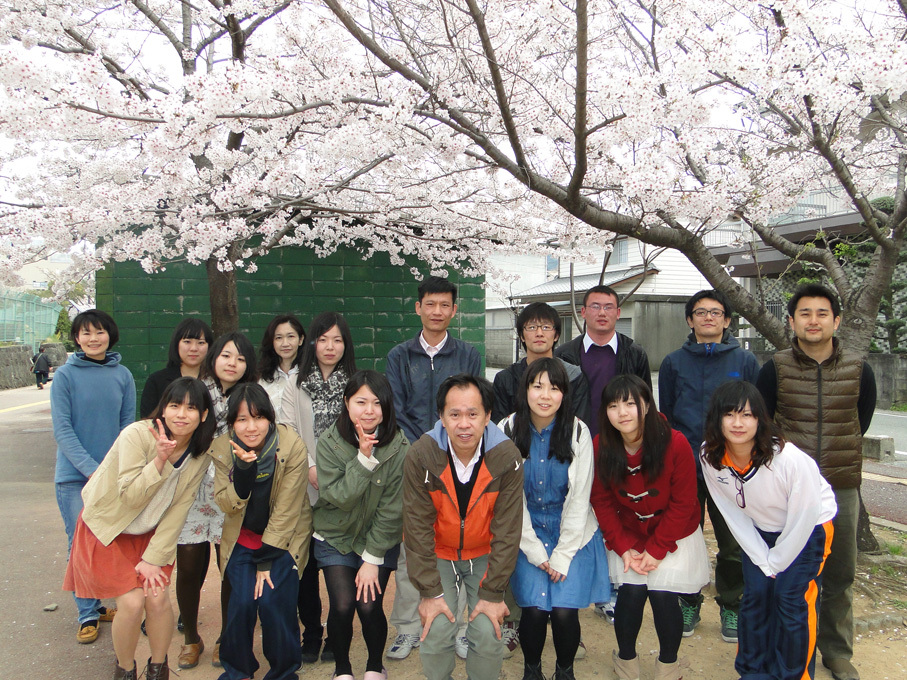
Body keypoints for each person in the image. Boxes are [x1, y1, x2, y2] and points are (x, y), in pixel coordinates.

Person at [756, 283, 876, 680]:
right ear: (791, 321)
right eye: (804, 313)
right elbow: (763, 423)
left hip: (841, 484)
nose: (813, 320)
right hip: (789, 489)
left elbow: (861, 419)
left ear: (836, 321)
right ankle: (787, 645)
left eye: (822, 313)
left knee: (840, 572)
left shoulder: (859, 368)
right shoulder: (774, 368)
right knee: (788, 570)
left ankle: (837, 651)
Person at [63, 377, 216, 680]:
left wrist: (153, 558)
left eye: (191, 408)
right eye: (175, 405)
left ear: (204, 416)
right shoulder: (137, 434)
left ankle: (158, 669)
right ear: (163, 408)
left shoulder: (199, 454)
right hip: (110, 528)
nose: (181, 414)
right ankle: (125, 669)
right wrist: (159, 460)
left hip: (150, 534)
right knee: (132, 604)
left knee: (157, 597)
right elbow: (130, 496)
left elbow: (179, 508)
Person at [701, 381, 836, 680]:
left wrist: (776, 561)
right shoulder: (711, 456)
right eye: (729, 414)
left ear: (760, 419)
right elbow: (730, 512)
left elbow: (804, 515)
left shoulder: (788, 459)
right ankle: (753, 672)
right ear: (716, 418)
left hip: (809, 527)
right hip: (760, 529)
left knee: (790, 599)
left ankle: (793, 675)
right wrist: (762, 557)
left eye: (747, 415)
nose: (738, 423)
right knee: (756, 596)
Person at [402, 374, 524, 680]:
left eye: (473, 414)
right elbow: (416, 528)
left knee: (487, 628)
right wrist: (430, 592)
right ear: (441, 417)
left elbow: (508, 531)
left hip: (484, 552)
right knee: (436, 626)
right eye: (454, 414)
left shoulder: (506, 456)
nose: (464, 424)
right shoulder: (422, 455)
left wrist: (493, 593)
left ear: (487, 416)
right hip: (438, 552)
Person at [385, 276, 481, 660]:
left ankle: (462, 627)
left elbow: (470, 406)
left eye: (444, 305)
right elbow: (395, 408)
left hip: (460, 460)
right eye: (430, 304)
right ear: (418, 308)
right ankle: (408, 627)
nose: (437, 311)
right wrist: (426, 450)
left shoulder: (468, 354)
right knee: (413, 545)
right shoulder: (399, 356)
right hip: (414, 461)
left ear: (454, 310)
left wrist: (451, 448)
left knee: (461, 542)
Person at [590, 375, 708, 680]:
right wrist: (622, 547)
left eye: (630, 403)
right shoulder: (602, 445)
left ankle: (668, 664)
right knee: (630, 592)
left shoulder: (675, 442)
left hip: (674, 531)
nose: (622, 412)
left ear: (646, 405)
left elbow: (684, 502)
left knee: (662, 594)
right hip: (628, 532)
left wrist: (657, 549)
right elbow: (601, 500)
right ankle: (626, 659)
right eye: (613, 406)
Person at [658, 289, 761, 641]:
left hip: (732, 464)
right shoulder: (673, 362)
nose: (708, 318)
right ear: (690, 320)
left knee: (732, 540)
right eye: (700, 312)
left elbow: (756, 414)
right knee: (687, 536)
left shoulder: (745, 361)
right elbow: (668, 413)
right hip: (686, 463)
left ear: (727, 320)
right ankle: (689, 600)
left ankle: (732, 606)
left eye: (715, 312)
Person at [499, 359, 609, 680]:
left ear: (565, 394)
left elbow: (580, 499)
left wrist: (562, 554)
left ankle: (565, 672)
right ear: (525, 390)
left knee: (563, 612)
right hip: (525, 531)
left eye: (554, 388)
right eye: (538, 386)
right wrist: (535, 551)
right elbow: (509, 500)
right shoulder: (506, 430)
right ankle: (532, 672)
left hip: (572, 533)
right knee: (533, 611)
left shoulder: (578, 431)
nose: (545, 395)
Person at [210, 383, 311, 680]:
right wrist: (243, 474)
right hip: (242, 537)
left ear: (270, 417)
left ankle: (284, 671)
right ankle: (238, 670)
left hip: (284, 537)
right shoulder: (223, 449)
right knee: (241, 603)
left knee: (272, 602)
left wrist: (265, 560)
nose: (251, 427)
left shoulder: (291, 445)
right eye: (242, 419)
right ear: (232, 423)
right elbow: (226, 504)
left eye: (258, 418)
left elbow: (288, 509)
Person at [313, 370, 407, 680]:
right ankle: (342, 669)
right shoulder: (330, 442)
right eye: (361, 402)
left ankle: (374, 666)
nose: (369, 410)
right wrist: (363, 460)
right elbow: (338, 496)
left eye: (377, 403)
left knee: (368, 605)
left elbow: (393, 509)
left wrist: (372, 558)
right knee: (342, 605)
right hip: (335, 534)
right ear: (346, 402)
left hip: (378, 537)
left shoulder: (399, 445)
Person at [175, 331, 259, 669]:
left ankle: (227, 637)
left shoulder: (251, 397)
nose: (232, 363)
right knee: (188, 566)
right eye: (226, 355)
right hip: (194, 489)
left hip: (232, 490)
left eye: (240, 358)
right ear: (214, 357)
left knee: (229, 568)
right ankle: (191, 638)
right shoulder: (194, 391)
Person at [52, 309, 136, 644]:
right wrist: (93, 469)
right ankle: (87, 612)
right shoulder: (65, 376)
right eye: (85, 333)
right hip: (74, 477)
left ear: (110, 335)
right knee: (80, 544)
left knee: (110, 540)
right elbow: (63, 430)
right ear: (76, 338)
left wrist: (116, 470)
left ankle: (101, 603)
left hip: (113, 476)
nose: (93, 338)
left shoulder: (123, 375)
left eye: (99, 332)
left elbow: (127, 428)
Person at [283, 311, 357, 664]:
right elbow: (288, 431)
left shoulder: (355, 383)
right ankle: (311, 633)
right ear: (311, 343)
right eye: (323, 339)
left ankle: (336, 635)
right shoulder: (294, 382)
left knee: (338, 564)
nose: (330, 346)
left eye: (337, 340)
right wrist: (311, 465)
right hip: (303, 483)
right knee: (306, 564)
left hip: (344, 486)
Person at [555, 284, 651, 438]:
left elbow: (646, 402)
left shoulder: (635, 354)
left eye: (608, 307)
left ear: (618, 313)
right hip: (576, 439)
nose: (601, 313)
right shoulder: (563, 355)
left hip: (623, 440)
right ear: (583, 312)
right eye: (595, 307)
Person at [492, 301, 591, 424]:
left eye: (546, 327)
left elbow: (579, 425)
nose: (539, 333)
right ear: (521, 336)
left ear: (556, 335)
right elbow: (499, 427)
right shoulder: (505, 379)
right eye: (532, 327)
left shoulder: (574, 377)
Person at [140, 318, 213, 418]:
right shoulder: (157, 381)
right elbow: (147, 420)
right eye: (187, 342)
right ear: (176, 344)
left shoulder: (215, 381)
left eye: (201, 343)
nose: (194, 348)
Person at [258, 314, 305, 411]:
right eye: (279, 338)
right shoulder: (261, 379)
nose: (285, 344)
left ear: (300, 340)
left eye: (290, 336)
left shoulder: (311, 374)